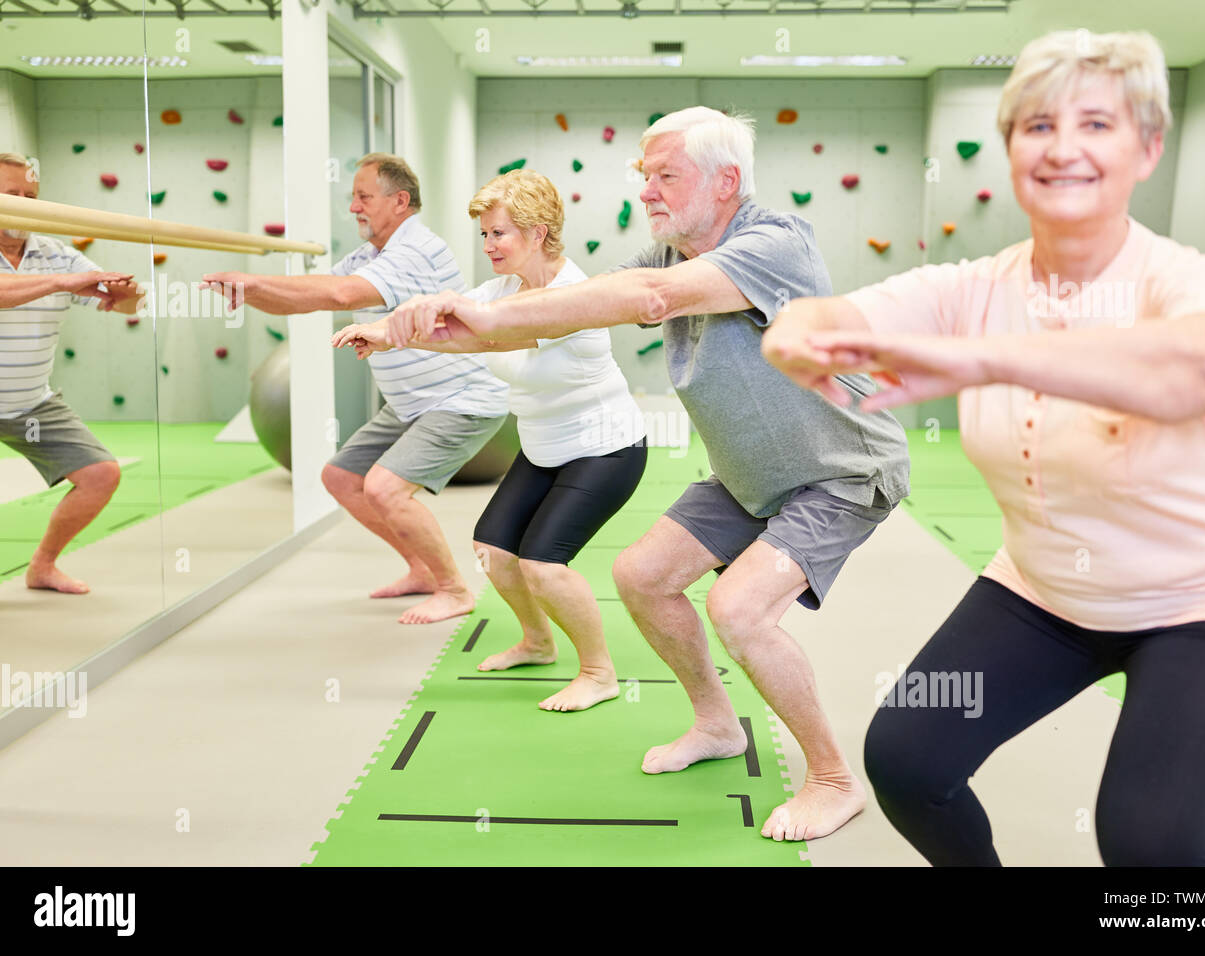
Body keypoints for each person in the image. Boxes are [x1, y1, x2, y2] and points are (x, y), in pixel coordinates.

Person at [763, 29, 1205, 866]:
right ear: (1009, 149)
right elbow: (815, 319)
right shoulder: (969, 287)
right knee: (906, 761)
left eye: (1097, 125)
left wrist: (975, 358)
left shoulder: (1185, 279)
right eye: (1037, 126)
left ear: (1148, 148)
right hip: (1043, 594)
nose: (1063, 148)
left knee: (1152, 846)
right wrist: (799, 341)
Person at [375, 109, 912, 841]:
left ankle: (831, 780)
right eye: (644, 177)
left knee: (739, 610)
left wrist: (470, 309)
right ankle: (717, 725)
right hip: (749, 476)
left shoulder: (772, 243)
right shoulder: (664, 255)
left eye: (666, 176)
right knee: (641, 576)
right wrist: (432, 325)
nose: (648, 192)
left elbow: (643, 301)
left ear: (726, 182)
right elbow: (550, 317)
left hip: (841, 472)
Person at [335, 169, 647, 712]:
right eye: (484, 234)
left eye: (498, 233)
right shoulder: (501, 291)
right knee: (495, 553)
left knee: (543, 565)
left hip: (605, 448)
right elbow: (458, 321)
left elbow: (491, 331)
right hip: (544, 446)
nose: (488, 246)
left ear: (539, 231)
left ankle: (599, 673)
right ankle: (537, 641)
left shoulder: (574, 295)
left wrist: (409, 330)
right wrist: (388, 331)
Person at [202, 153, 508, 624]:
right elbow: (308, 297)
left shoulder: (416, 249)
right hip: (410, 404)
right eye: (353, 198)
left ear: (399, 201)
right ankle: (421, 570)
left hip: (459, 399)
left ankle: (454, 589)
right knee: (340, 478)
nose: (354, 208)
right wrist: (250, 292)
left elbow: (340, 296)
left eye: (363, 197)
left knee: (385, 490)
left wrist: (253, 278)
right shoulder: (372, 255)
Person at [0, 152, 143, 619]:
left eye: (31, 196)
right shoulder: (56, 267)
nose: (24, 205)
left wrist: (125, 293)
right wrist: (61, 282)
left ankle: (43, 566)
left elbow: (121, 305)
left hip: (32, 399)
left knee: (101, 475)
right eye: (11, 195)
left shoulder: (55, 252)